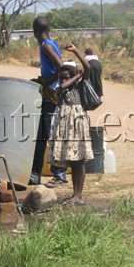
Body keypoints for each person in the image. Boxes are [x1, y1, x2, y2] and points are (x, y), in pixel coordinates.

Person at [47, 44, 94, 205]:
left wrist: (76, 51)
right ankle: (75, 194)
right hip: (65, 125)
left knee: (79, 161)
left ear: (73, 76)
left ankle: (78, 195)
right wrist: (75, 76)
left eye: (68, 76)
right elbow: (61, 86)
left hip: (77, 124)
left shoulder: (79, 86)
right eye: (62, 77)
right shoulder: (62, 88)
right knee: (73, 162)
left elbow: (87, 67)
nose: (64, 79)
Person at [29, 16, 67, 186]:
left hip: (52, 95)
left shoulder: (46, 46)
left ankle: (57, 173)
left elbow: (62, 67)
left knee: (47, 135)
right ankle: (36, 173)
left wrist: (48, 83)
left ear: (35, 32)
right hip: (51, 95)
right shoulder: (53, 43)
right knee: (43, 135)